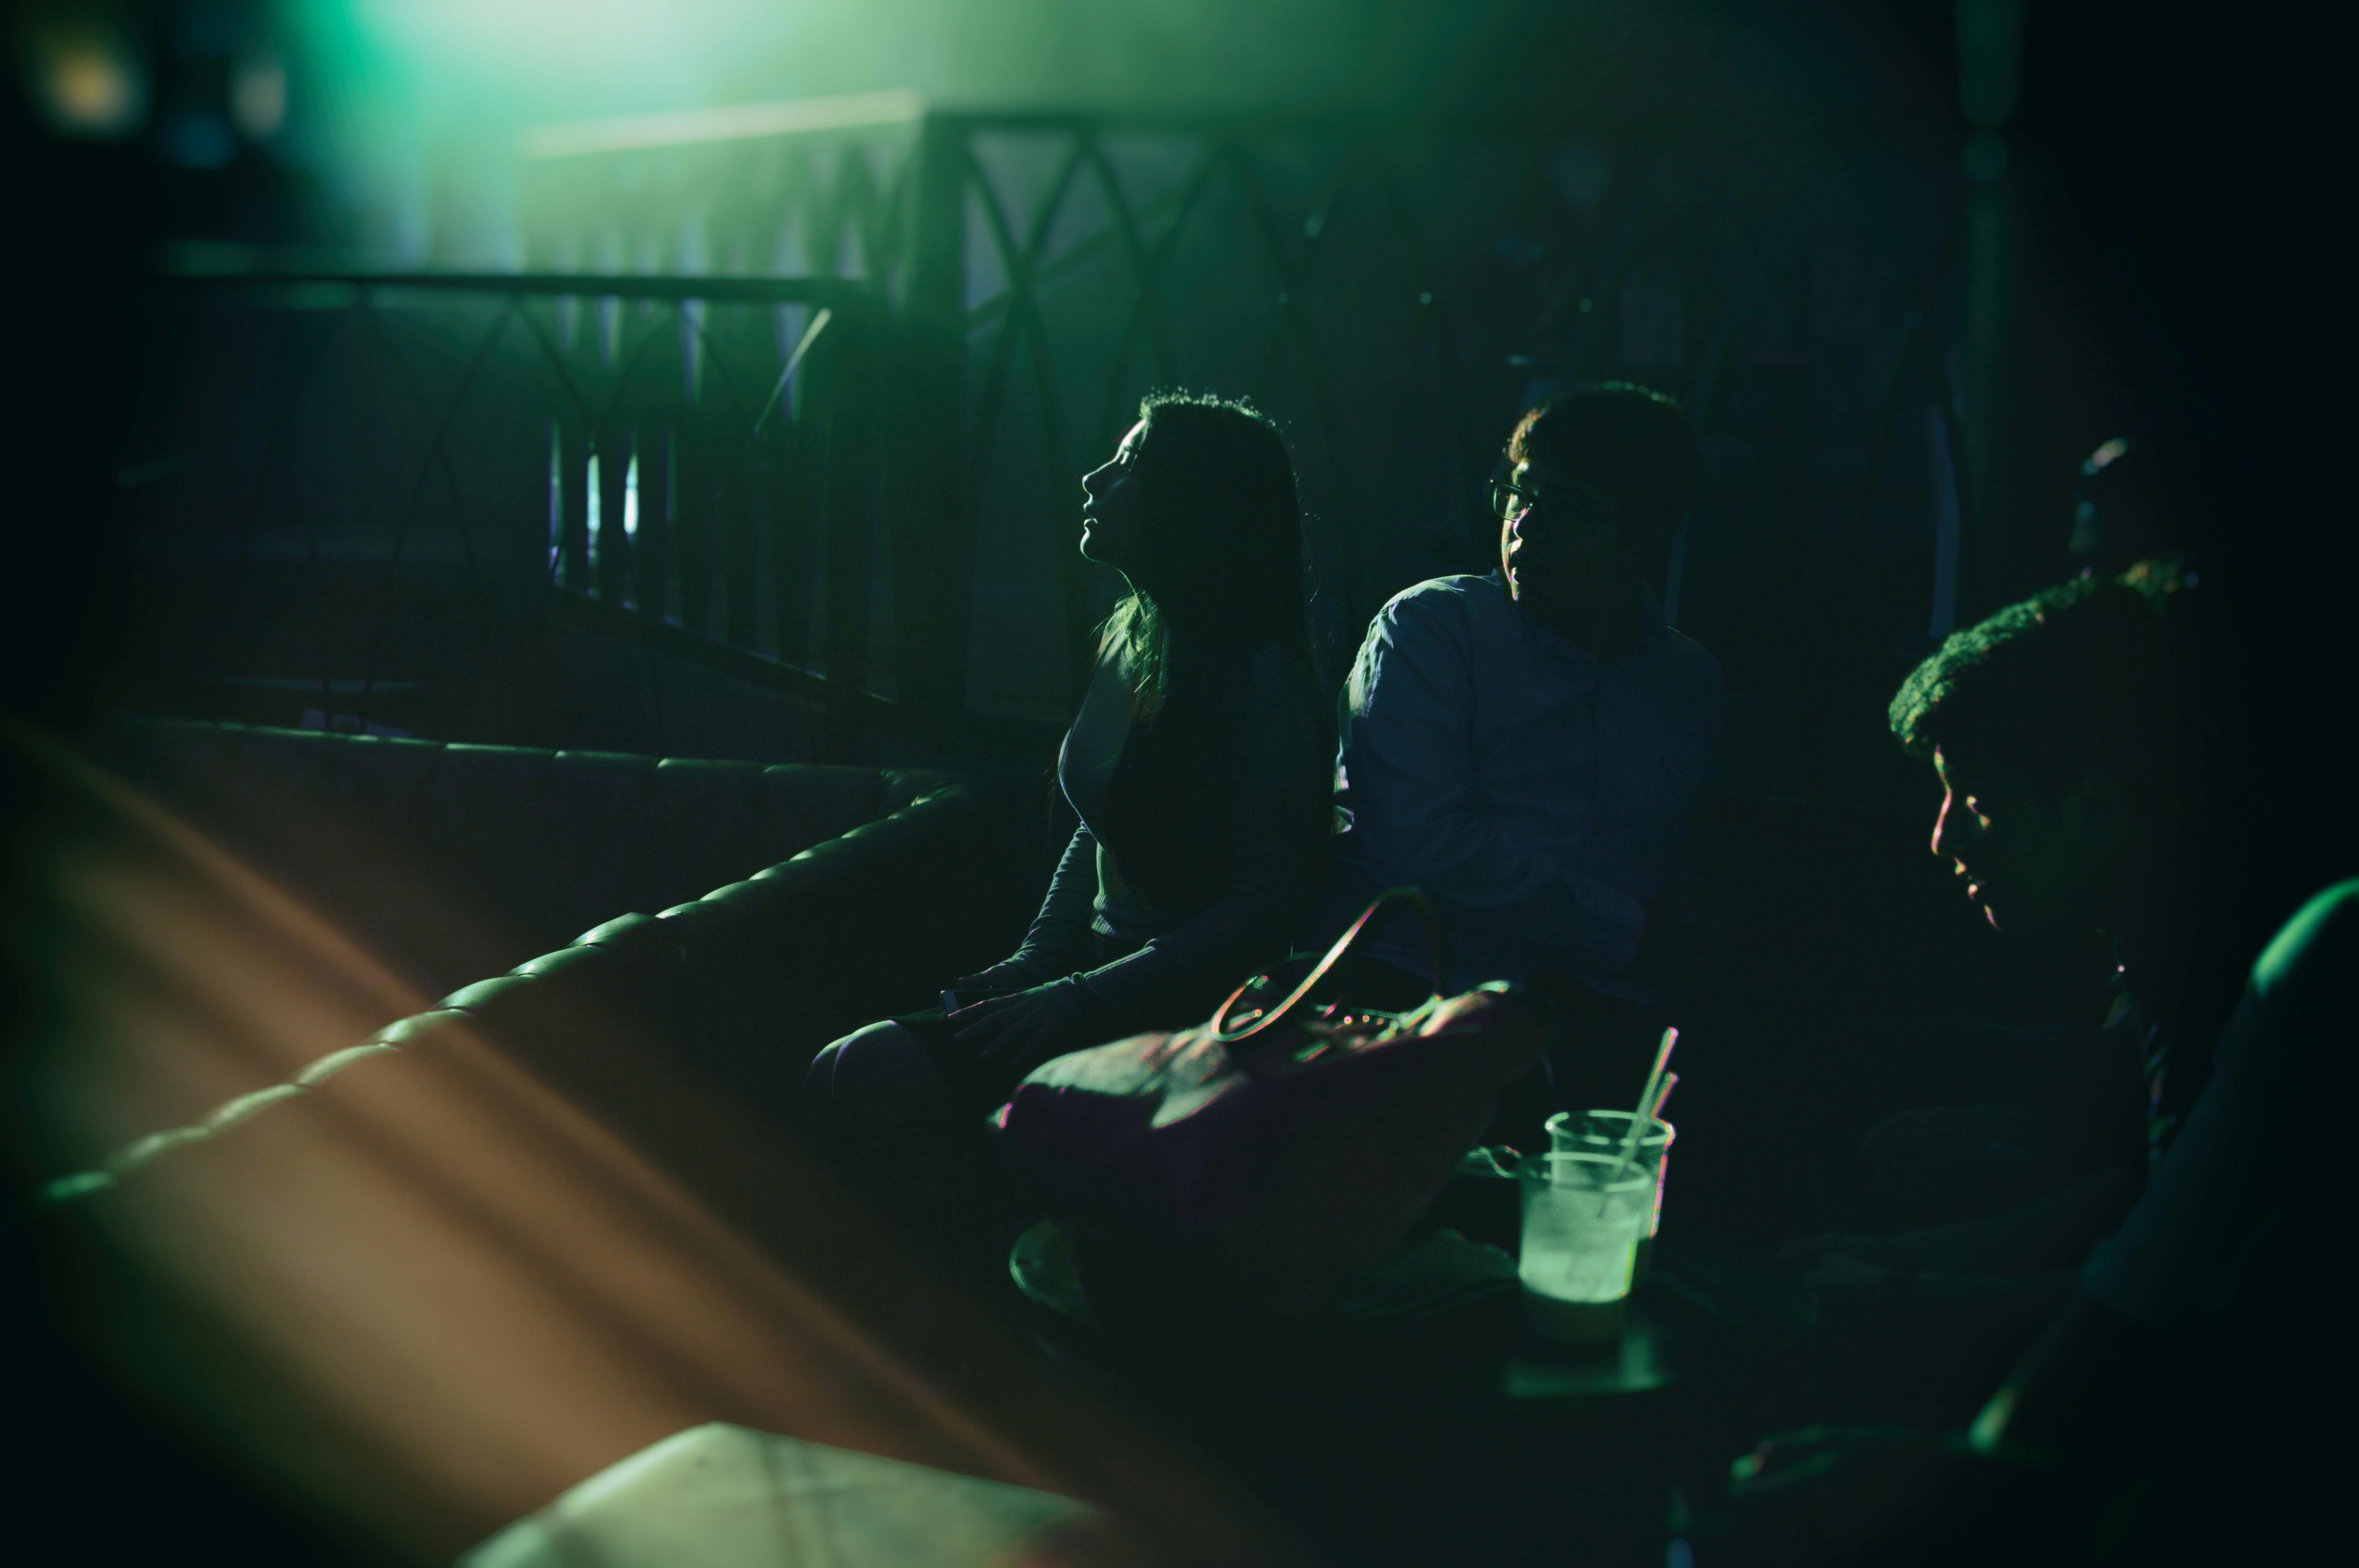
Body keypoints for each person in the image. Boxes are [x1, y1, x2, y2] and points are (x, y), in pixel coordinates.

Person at [1719, 566, 2344, 1565]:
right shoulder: (2156, 932)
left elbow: (2158, 1317)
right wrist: (1908, 1262)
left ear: (2092, 804)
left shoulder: (2244, 969)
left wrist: (1891, 1296)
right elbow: (2130, 1190)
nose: (1942, 838)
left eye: (1974, 801)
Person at [801, 393, 1334, 1245]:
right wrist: (1030, 963)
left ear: (1190, 504)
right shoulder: (1135, 635)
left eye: (1128, 464)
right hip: (1088, 977)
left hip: (1182, 1008)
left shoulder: (1266, 682)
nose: (1093, 476)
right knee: (837, 1066)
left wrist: (1073, 996)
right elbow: (1101, 823)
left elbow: (1264, 908)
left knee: (870, 1071)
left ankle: (987, 1297)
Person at [1316, 383, 1723, 1110]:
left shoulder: (1685, 681)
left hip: (1604, 1016)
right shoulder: (1435, 630)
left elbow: (1649, 839)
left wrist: (1683, 899)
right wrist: (1630, 931)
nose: (1525, 526)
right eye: (1518, 494)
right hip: (1418, 998)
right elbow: (1421, 845)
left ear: (1648, 534)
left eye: (1566, 508)